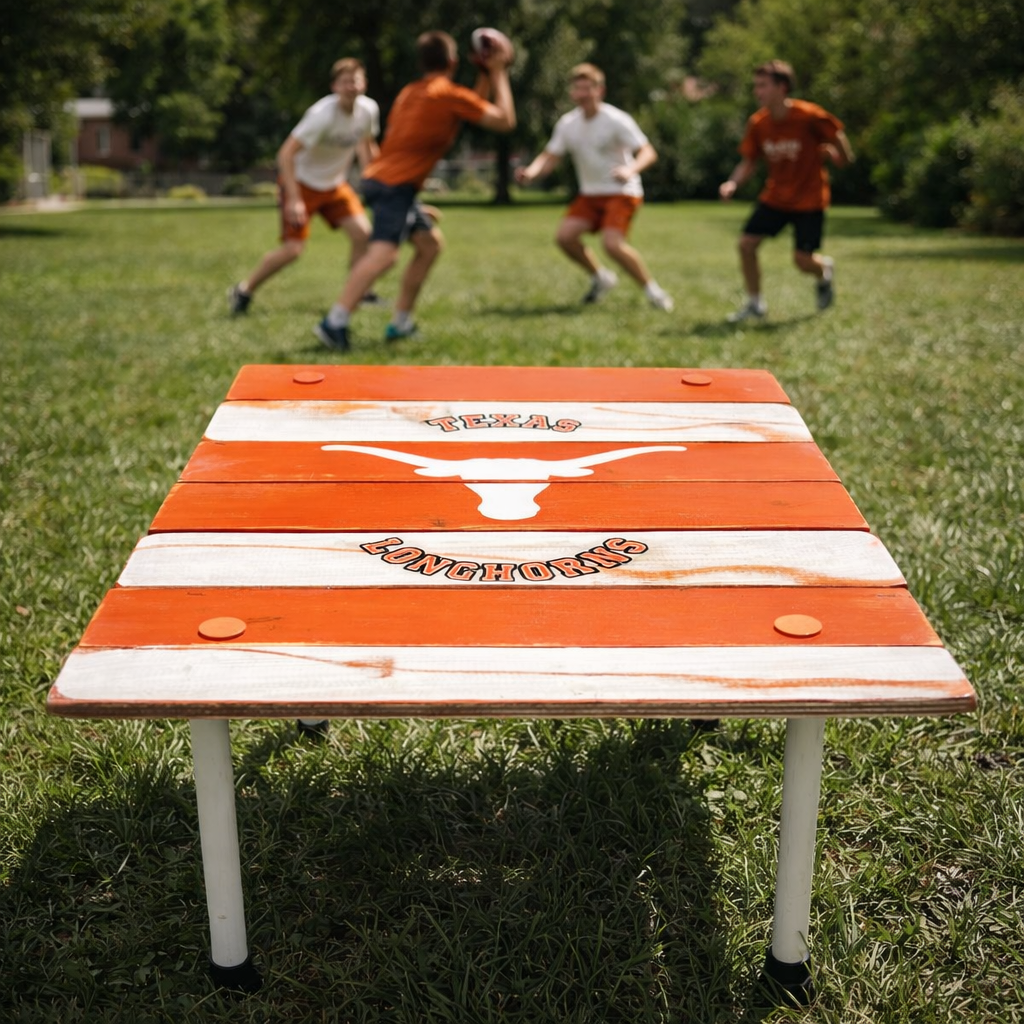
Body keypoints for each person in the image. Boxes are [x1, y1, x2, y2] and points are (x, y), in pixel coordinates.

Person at [315, 30, 516, 350]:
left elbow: (470, 106)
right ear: (452, 62)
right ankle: (334, 321)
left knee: (429, 244)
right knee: (383, 256)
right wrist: (498, 71)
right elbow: (504, 120)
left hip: (388, 181)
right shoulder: (446, 94)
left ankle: (400, 324)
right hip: (394, 186)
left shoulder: (413, 91)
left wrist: (483, 75)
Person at [514, 63, 673, 312]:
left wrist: (630, 170)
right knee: (565, 238)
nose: (582, 94)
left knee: (612, 245)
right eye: (577, 89)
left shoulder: (616, 120)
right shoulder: (568, 124)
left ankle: (654, 292)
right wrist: (531, 172)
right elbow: (550, 155)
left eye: (588, 88)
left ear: (601, 90)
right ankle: (601, 277)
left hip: (622, 192)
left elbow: (647, 151)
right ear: (572, 93)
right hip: (590, 194)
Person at [228, 58, 382, 315]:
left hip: (334, 186)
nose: (351, 86)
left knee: (363, 235)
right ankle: (244, 290)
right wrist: (295, 199)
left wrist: (378, 181)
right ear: (334, 86)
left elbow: (366, 147)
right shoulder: (321, 116)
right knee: (292, 250)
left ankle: (360, 293)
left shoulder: (369, 110)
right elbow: (285, 154)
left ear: (364, 83)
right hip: (301, 184)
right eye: (345, 82)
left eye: (356, 80)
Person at [719, 59, 854, 322]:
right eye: (756, 86)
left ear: (782, 87)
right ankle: (755, 304)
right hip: (776, 197)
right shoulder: (758, 123)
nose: (757, 92)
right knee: (746, 245)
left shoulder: (808, 115)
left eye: (763, 85)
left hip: (810, 198)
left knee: (803, 262)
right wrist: (732, 183)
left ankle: (824, 270)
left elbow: (837, 135)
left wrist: (843, 158)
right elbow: (749, 161)